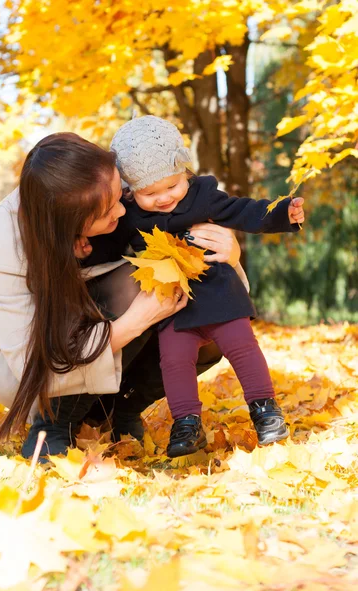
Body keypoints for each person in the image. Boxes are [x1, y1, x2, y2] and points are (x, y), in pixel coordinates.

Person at [0, 132, 242, 461]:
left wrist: (230, 254)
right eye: (107, 210)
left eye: (119, 193)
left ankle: (121, 409)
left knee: (211, 317)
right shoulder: (4, 241)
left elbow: (222, 291)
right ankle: (54, 423)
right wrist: (135, 322)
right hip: (32, 370)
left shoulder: (113, 189)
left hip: (98, 330)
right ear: (70, 225)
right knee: (139, 285)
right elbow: (32, 363)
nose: (123, 210)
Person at [89, 116, 305, 458]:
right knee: (173, 362)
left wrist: (282, 214)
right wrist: (83, 250)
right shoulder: (129, 216)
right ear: (130, 190)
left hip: (220, 295)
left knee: (243, 349)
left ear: (185, 172)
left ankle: (266, 412)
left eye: (172, 186)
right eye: (149, 192)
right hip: (172, 303)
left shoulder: (203, 197)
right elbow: (108, 246)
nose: (163, 198)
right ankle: (186, 424)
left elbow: (244, 210)